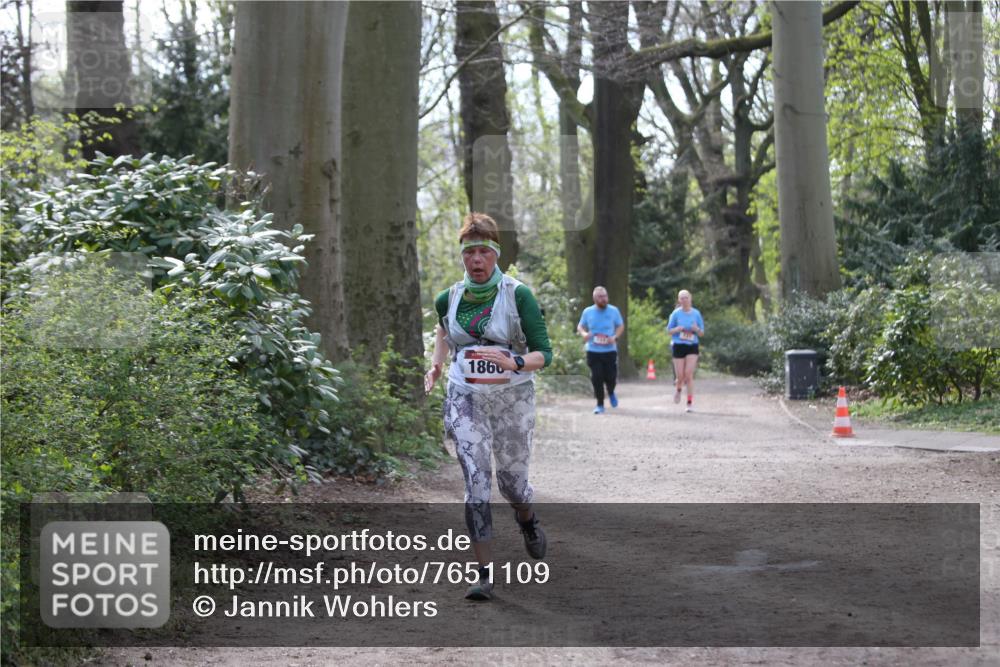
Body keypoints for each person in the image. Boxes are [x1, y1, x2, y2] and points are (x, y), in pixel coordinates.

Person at [424, 212, 553, 601]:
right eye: (470, 253)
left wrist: (514, 361)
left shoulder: (519, 295)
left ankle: (527, 520)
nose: (476, 260)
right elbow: (444, 331)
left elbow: (543, 353)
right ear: (462, 256)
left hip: (513, 396)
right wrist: (436, 364)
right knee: (476, 483)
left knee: (511, 484)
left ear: (496, 255)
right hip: (466, 396)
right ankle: (484, 574)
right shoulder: (448, 297)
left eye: (484, 252)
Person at [576, 286, 624, 414]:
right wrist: (584, 334)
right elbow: (580, 326)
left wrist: (615, 337)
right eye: (600, 297)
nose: (604, 299)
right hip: (593, 350)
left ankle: (611, 391)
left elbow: (620, 326)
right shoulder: (588, 311)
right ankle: (600, 404)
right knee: (597, 377)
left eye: (605, 296)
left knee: (611, 377)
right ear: (594, 298)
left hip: (609, 350)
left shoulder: (614, 311)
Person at [666, 289, 704, 412]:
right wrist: (677, 329)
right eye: (681, 298)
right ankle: (678, 390)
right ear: (679, 300)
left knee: (688, 374)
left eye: (686, 297)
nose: (684, 300)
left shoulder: (696, 314)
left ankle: (689, 402)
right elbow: (669, 330)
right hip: (678, 345)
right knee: (680, 376)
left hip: (692, 345)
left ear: (690, 298)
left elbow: (702, 333)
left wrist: (696, 329)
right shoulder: (676, 314)